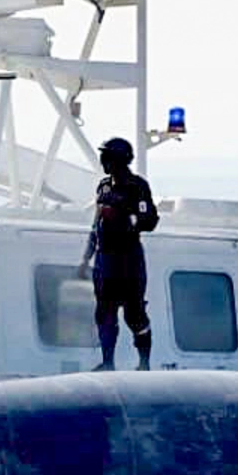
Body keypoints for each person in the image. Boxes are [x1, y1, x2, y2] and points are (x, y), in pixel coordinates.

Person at [78, 137, 159, 371]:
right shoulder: (103, 186)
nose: (103, 161)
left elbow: (149, 220)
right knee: (104, 311)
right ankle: (108, 362)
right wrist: (86, 257)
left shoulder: (137, 187)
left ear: (119, 160)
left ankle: (144, 362)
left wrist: (125, 218)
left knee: (134, 313)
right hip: (106, 260)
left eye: (107, 157)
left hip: (128, 259)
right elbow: (96, 223)